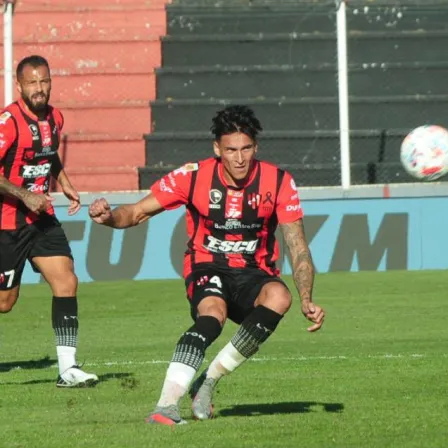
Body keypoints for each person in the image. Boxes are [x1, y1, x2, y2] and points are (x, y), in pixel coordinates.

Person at [88, 105, 326, 425]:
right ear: (217, 149)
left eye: (246, 149)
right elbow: (137, 213)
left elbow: (298, 246)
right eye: (230, 150)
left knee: (280, 297)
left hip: (254, 273)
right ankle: (166, 406)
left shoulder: (279, 181)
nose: (239, 159)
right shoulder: (193, 176)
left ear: (256, 147)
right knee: (213, 314)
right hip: (207, 264)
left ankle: (208, 381)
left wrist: (307, 297)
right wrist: (109, 218)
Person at [0, 55, 98, 387]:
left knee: (66, 282)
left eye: (44, 81)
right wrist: (23, 194)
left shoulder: (55, 117)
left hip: (41, 220)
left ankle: (67, 369)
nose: (39, 89)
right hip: (8, 222)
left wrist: (65, 183)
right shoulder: (8, 121)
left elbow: (47, 152)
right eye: (32, 83)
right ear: (19, 86)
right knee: (5, 302)